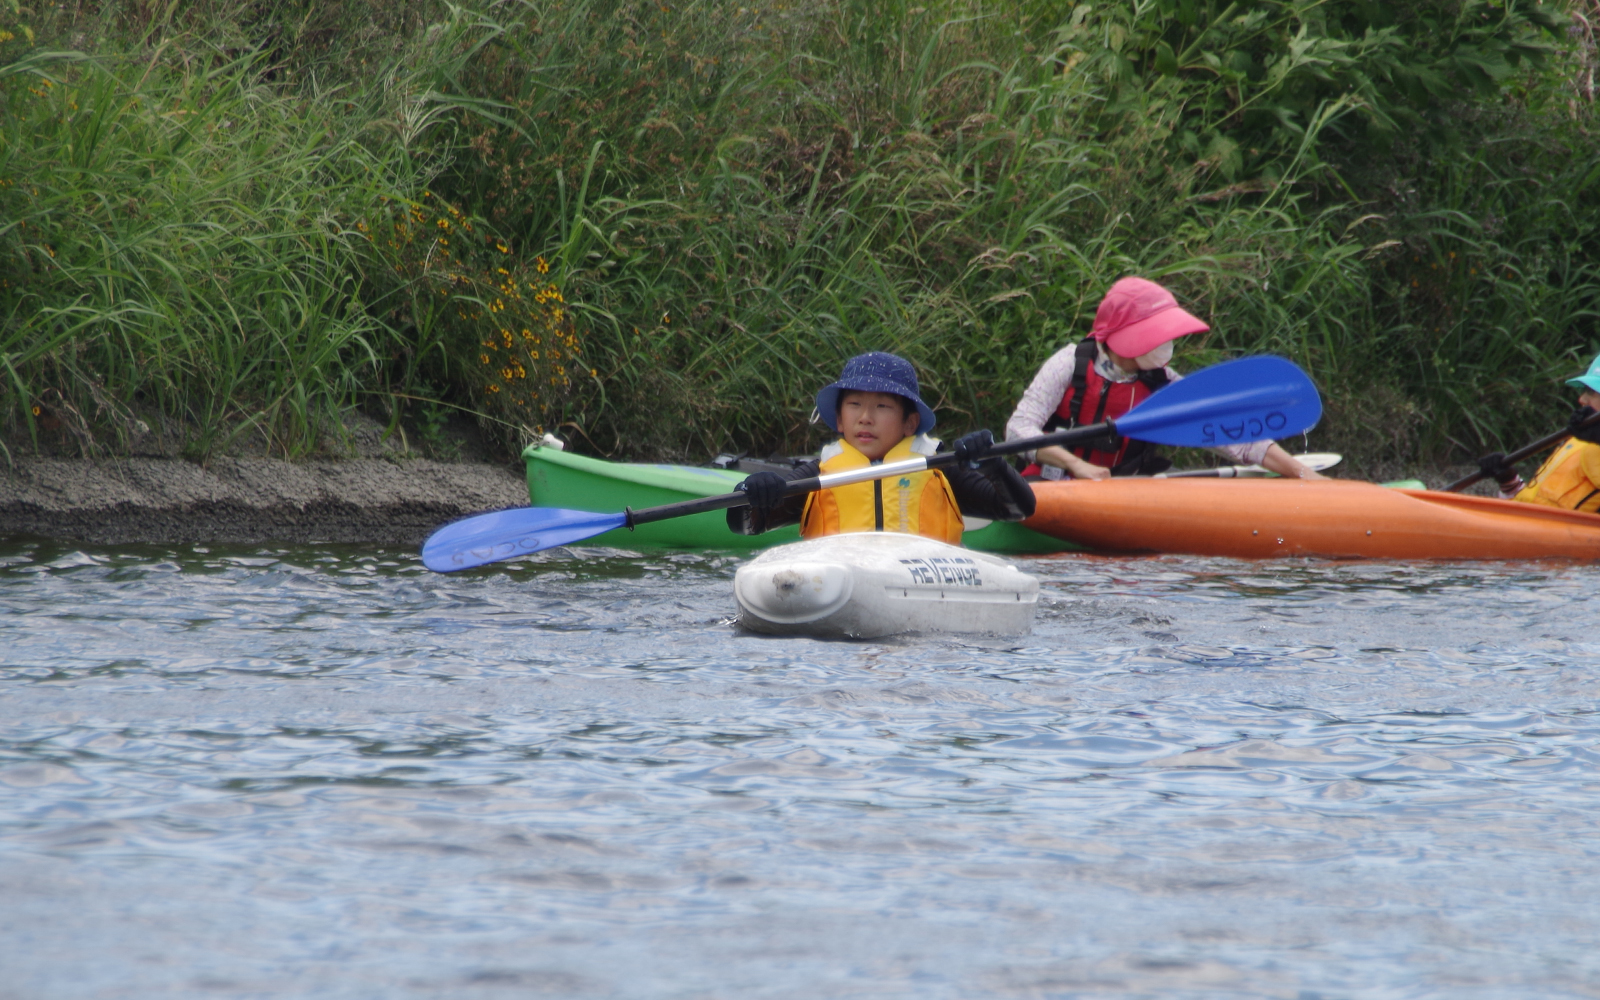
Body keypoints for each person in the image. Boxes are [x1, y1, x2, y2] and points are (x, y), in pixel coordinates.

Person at [1005, 276, 1325, 481]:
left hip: (1126, 490)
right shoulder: (1069, 364)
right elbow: (1017, 431)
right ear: (1126, 336)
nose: (1166, 344)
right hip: (1053, 486)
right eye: (1156, 336)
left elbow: (1241, 441)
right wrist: (1076, 465)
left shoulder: (1164, 384)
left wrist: (1303, 473)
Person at [729, 352, 1036, 541]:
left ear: (910, 424)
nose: (865, 418)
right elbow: (745, 526)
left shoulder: (941, 470)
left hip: (923, 591)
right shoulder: (819, 474)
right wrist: (751, 492)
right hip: (837, 587)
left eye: (882, 407)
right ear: (839, 419)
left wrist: (993, 464)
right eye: (854, 405)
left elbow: (1019, 509)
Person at [1507, 352, 1600, 512]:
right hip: (1533, 527)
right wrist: (1509, 483)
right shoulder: (1577, 441)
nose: (1582, 399)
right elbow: (1534, 504)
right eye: (1585, 390)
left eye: (1591, 391)